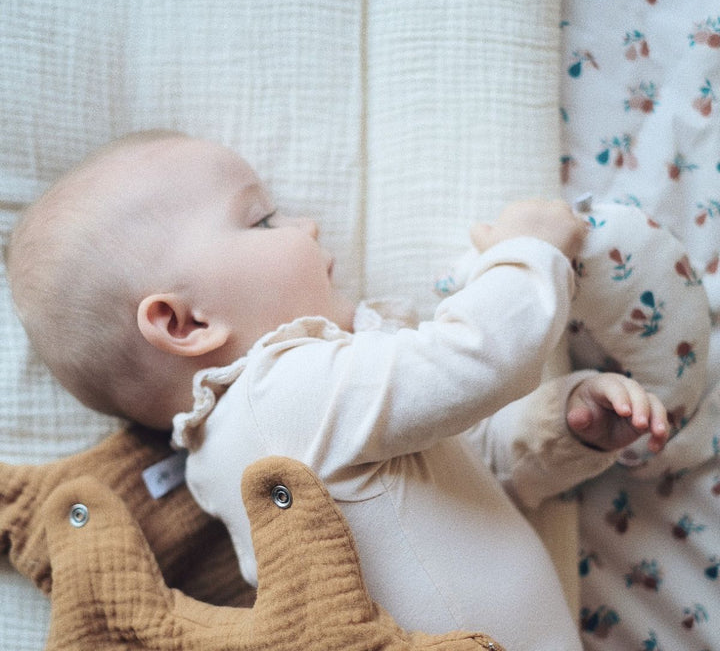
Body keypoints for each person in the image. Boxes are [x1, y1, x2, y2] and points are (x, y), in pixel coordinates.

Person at [5, 130, 669, 651]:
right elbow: (472, 362)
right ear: (185, 324)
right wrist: (527, 254)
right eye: (263, 220)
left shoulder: (280, 427)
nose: (308, 226)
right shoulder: (277, 395)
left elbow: (469, 476)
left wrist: (566, 425)